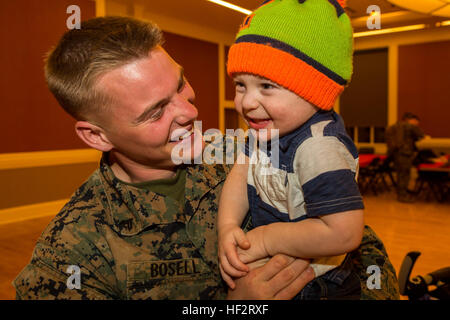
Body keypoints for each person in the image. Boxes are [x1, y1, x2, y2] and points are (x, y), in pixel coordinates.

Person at [13, 15, 398, 300]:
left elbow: (365, 251)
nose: (188, 112)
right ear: (96, 135)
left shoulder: (252, 151)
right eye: (155, 111)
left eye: (180, 84)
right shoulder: (73, 251)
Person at [218, 0, 374, 300]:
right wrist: (227, 226)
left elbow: (345, 233)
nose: (247, 102)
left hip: (321, 286)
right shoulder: (264, 132)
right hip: (276, 270)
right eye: (240, 85)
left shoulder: (319, 148)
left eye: (266, 86)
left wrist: (265, 239)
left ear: (313, 90)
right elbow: (239, 177)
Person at [385, 112, 424, 203]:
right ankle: (402, 196)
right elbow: (421, 135)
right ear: (411, 120)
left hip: (395, 154)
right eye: (416, 122)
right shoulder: (409, 126)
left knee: (400, 175)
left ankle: (402, 192)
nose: (417, 124)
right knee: (405, 175)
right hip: (405, 154)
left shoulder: (392, 127)